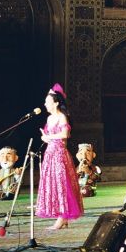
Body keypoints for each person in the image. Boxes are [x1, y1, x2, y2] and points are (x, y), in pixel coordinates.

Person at [36, 83, 84, 229]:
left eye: (47, 102)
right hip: (50, 154)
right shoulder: (49, 119)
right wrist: (45, 138)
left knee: (62, 186)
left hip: (59, 155)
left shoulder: (62, 117)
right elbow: (48, 137)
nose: (45, 104)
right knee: (53, 185)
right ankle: (61, 217)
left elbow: (65, 134)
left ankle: (62, 217)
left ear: (56, 103)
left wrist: (50, 137)